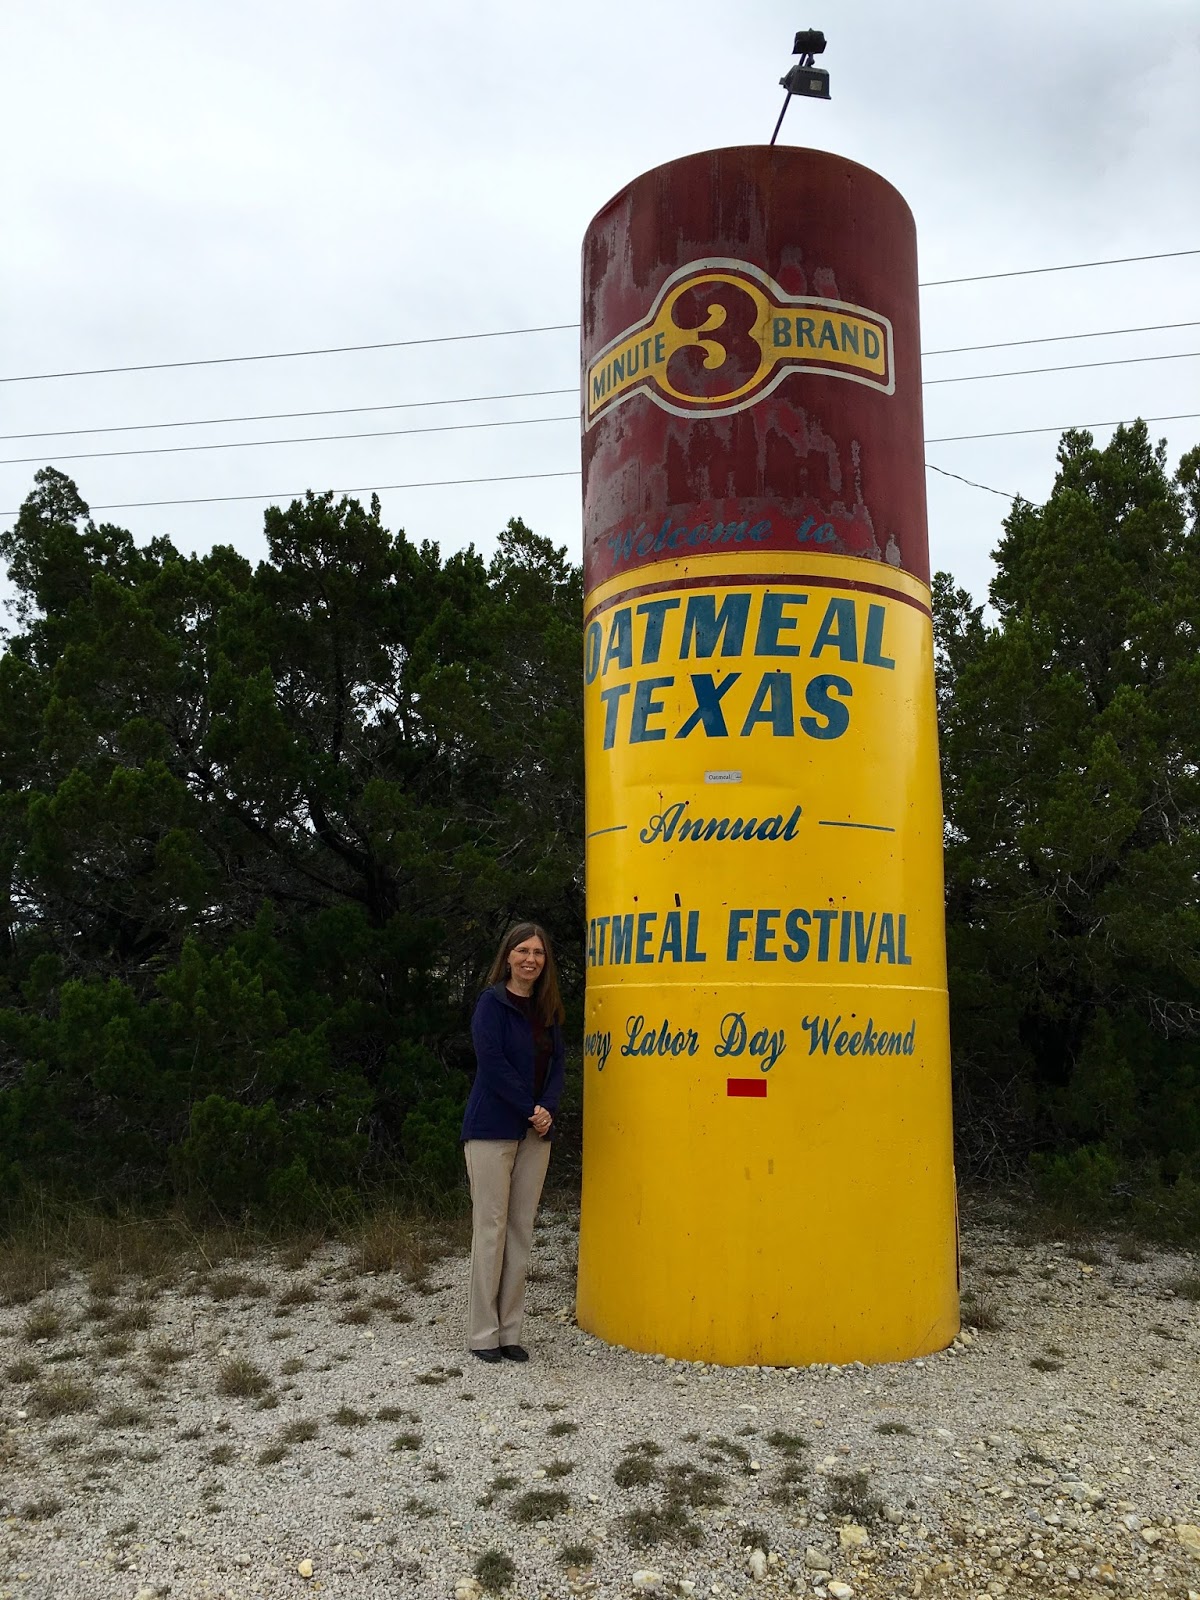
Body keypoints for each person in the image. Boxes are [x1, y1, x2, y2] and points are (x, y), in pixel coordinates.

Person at [461, 921, 566, 1364]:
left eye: (538, 953)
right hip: (491, 1129)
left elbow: (558, 1065)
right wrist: (530, 1108)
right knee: (491, 1229)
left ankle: (510, 1331)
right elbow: (493, 1064)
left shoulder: (548, 1008)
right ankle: (482, 1334)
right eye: (523, 950)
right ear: (508, 955)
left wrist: (547, 1109)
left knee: (521, 1230)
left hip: (535, 1134)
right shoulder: (492, 1003)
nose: (530, 959)